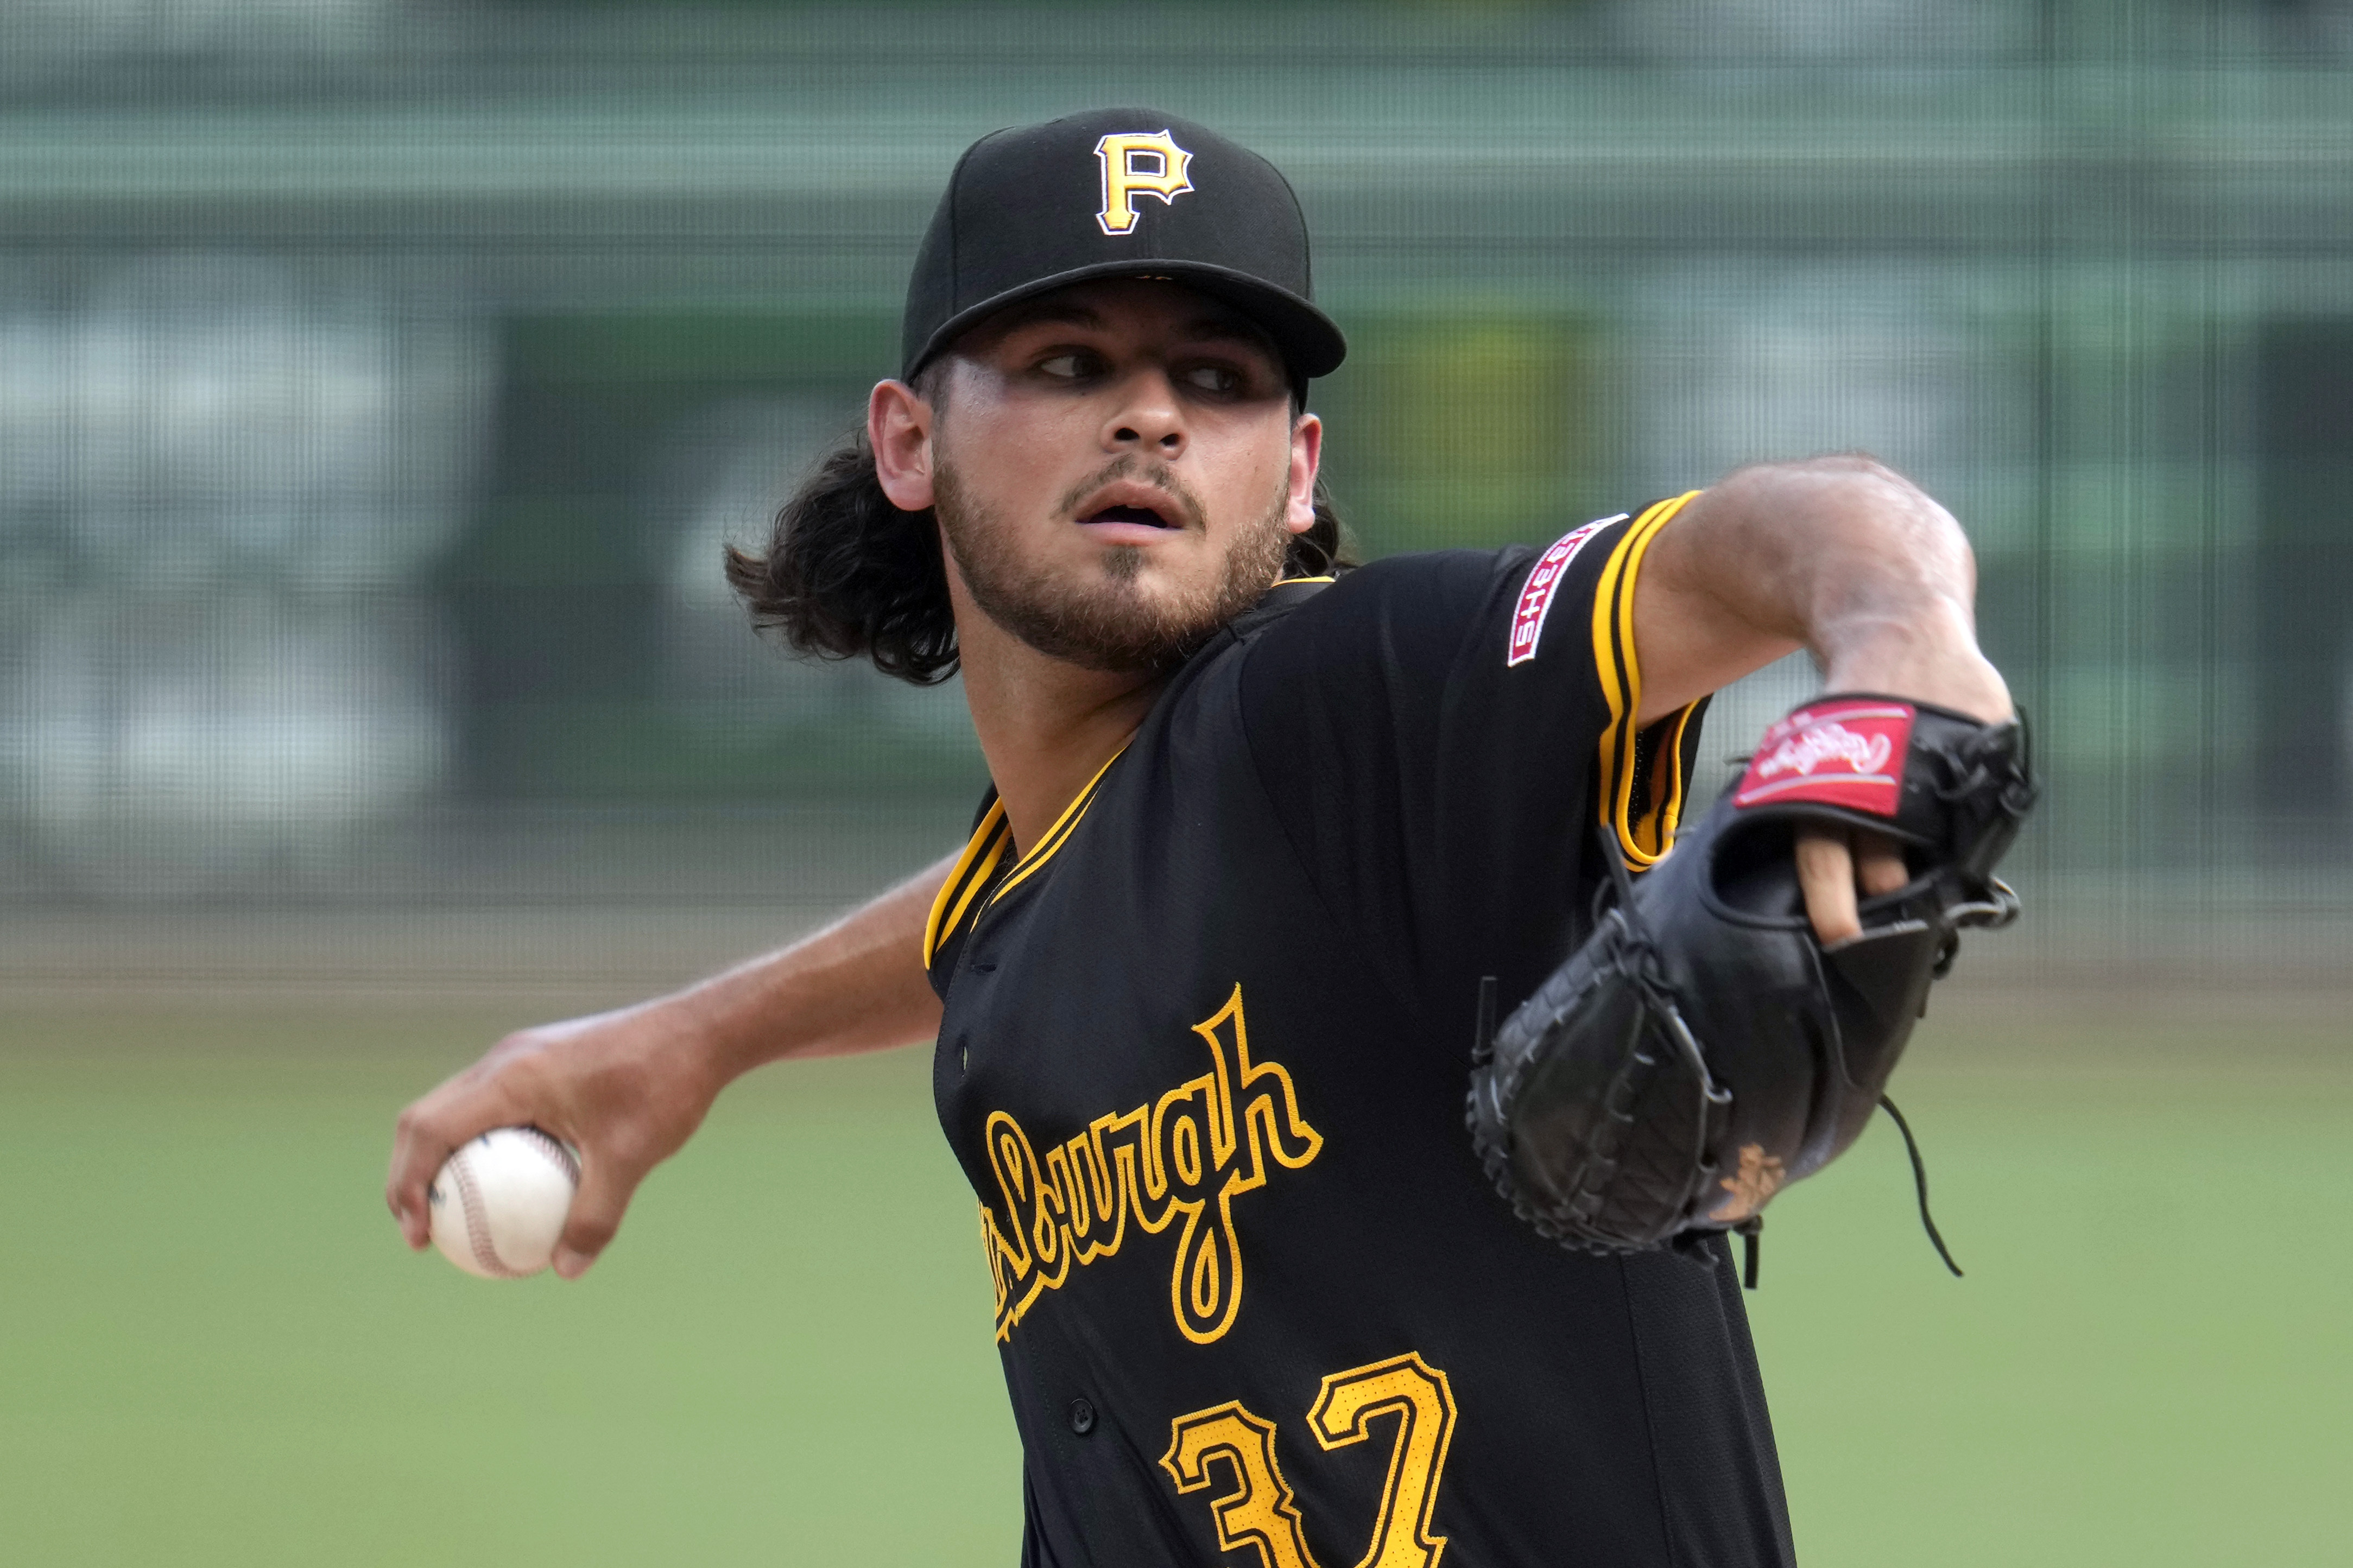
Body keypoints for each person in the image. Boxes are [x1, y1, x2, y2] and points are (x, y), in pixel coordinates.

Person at [387, 108, 2011, 1565]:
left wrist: (1897, 643)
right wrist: (695, 1035)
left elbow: (1810, 521)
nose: (1150, 418)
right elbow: (1019, 912)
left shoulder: (1345, 698)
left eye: (1218, 382)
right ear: (906, 441)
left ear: (1297, 472)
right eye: (1070, 364)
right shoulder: (1024, 908)